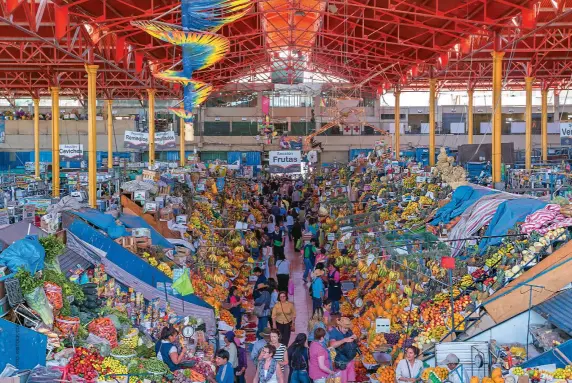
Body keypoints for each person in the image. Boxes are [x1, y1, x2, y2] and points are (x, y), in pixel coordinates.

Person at [328, 316, 357, 383]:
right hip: (341, 364)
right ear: (339, 325)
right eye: (345, 328)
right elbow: (332, 344)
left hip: (350, 362)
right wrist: (343, 340)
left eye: (347, 328)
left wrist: (354, 337)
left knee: (351, 381)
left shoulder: (348, 331)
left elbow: (353, 339)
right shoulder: (333, 332)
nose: (346, 330)